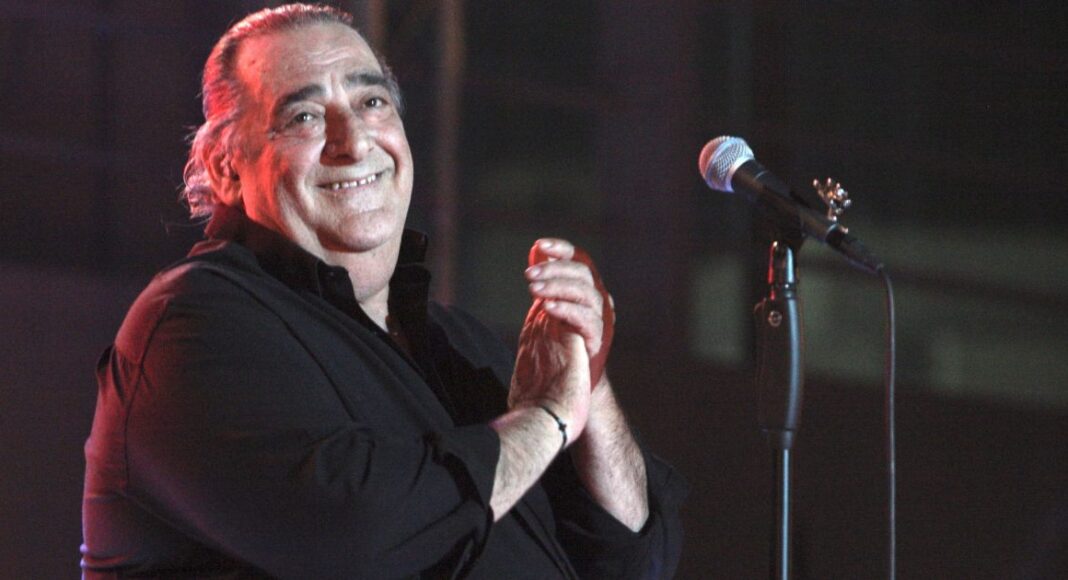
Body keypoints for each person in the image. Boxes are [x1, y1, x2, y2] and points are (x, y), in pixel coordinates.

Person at [81, 4, 685, 578]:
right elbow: (357, 535)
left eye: (371, 102)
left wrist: (585, 380)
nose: (354, 141)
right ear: (226, 168)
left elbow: (636, 561)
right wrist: (546, 418)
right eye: (304, 117)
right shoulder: (194, 325)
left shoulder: (457, 343)